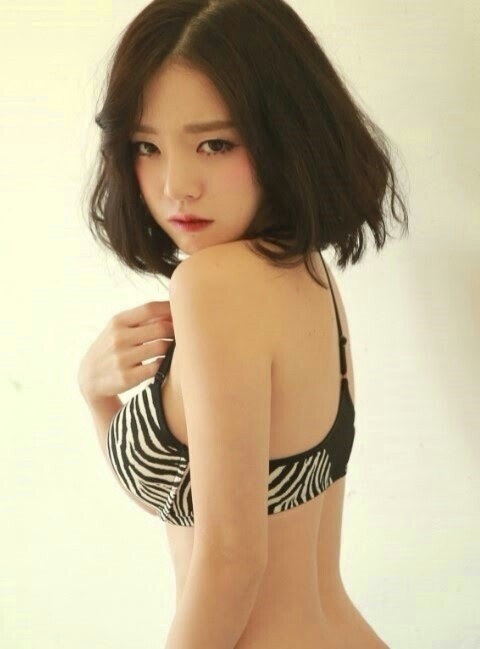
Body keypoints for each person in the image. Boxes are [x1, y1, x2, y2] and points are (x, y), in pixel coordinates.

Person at [78, 1, 409, 647]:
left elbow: (232, 559)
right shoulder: (306, 272)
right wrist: (98, 398)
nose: (176, 185)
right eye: (147, 146)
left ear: (287, 135)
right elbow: (197, 504)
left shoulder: (213, 286)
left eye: (215, 144)